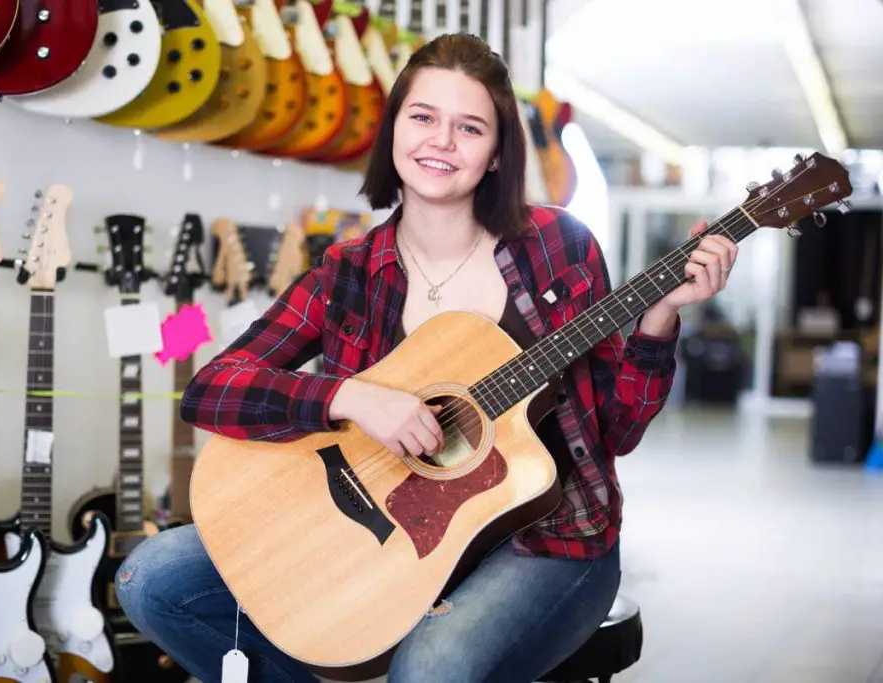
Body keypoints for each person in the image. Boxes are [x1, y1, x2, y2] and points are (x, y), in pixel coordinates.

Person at [116, 33, 738, 683]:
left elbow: (616, 431)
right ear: (394, 132)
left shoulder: (560, 248)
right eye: (423, 117)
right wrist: (351, 397)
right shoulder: (350, 270)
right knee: (151, 577)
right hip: (381, 534)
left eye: (469, 127)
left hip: (550, 542)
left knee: (431, 664)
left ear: (497, 154)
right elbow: (211, 389)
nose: (441, 142)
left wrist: (660, 317)